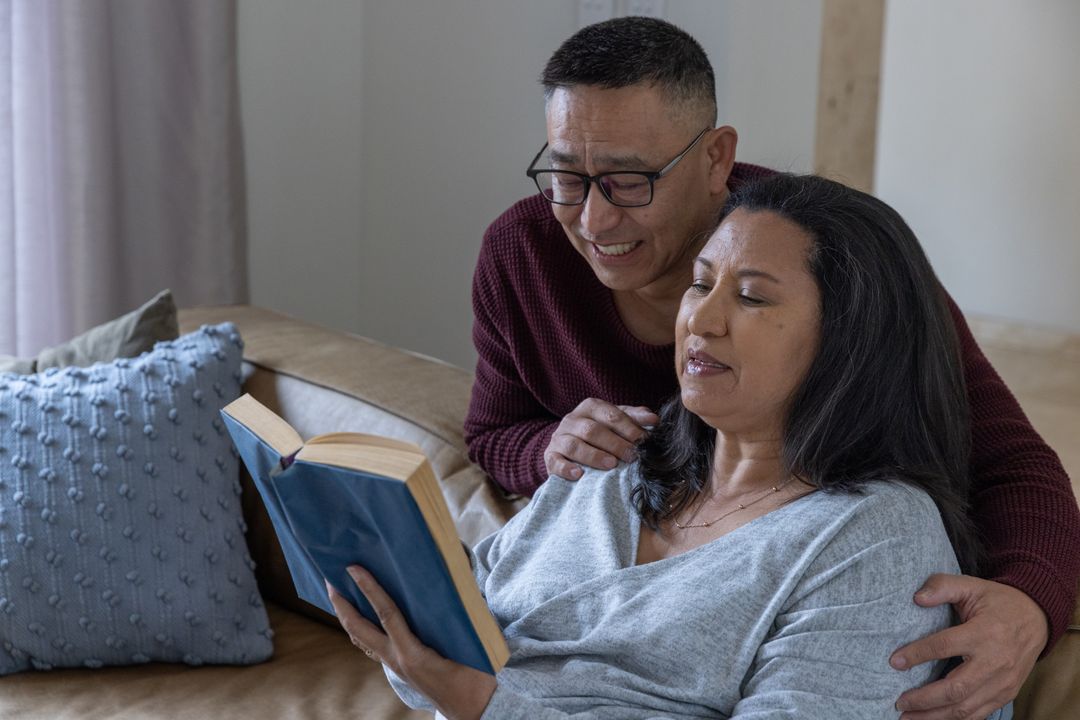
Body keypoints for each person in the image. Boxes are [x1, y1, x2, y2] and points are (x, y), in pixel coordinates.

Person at [463, 17, 1080, 719]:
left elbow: (1013, 463)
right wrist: (553, 450)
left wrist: (1031, 601)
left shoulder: (838, 262)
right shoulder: (526, 256)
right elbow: (491, 436)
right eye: (567, 177)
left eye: (629, 181)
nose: (594, 221)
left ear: (715, 157)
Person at [330, 174, 987, 719]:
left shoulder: (875, 537)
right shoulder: (615, 454)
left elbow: (469, 694)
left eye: (752, 297)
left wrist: (486, 706)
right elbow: (455, 644)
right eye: (700, 284)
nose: (700, 320)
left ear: (849, 342)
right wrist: (397, 598)